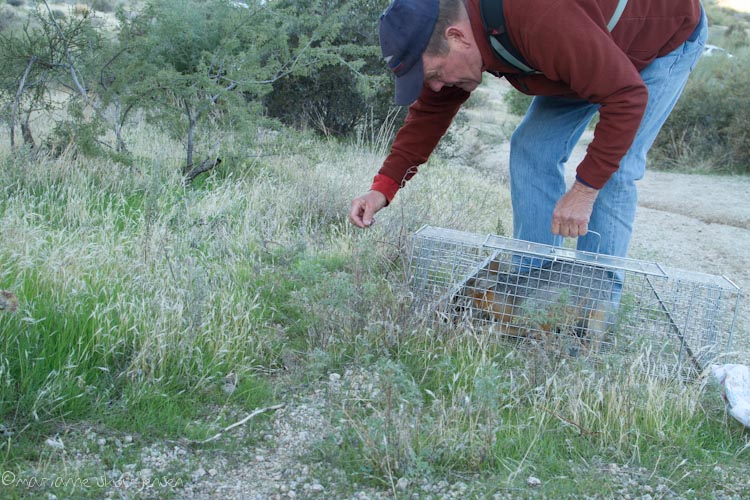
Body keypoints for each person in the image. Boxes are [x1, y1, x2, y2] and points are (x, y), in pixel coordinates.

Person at [349, 0, 707, 263]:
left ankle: (593, 314)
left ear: (456, 36)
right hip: (582, 55)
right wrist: (383, 188)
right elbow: (430, 112)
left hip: (660, 38)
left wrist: (583, 191)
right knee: (531, 147)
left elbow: (626, 96)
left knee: (615, 172)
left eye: (435, 75)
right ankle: (533, 285)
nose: (438, 87)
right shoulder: (455, 39)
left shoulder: (539, 17)